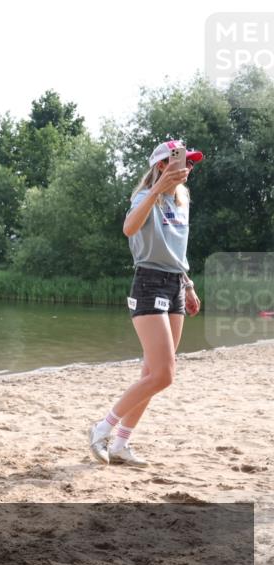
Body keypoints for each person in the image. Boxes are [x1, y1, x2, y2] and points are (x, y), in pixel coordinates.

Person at [88, 140, 204, 465]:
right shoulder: (144, 197)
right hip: (149, 281)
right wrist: (156, 192)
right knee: (164, 375)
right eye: (180, 161)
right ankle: (101, 429)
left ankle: (121, 444)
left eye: (191, 162)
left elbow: (177, 250)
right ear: (162, 165)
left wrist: (189, 285)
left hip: (175, 284)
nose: (188, 167)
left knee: (151, 372)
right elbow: (128, 228)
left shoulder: (183, 201)